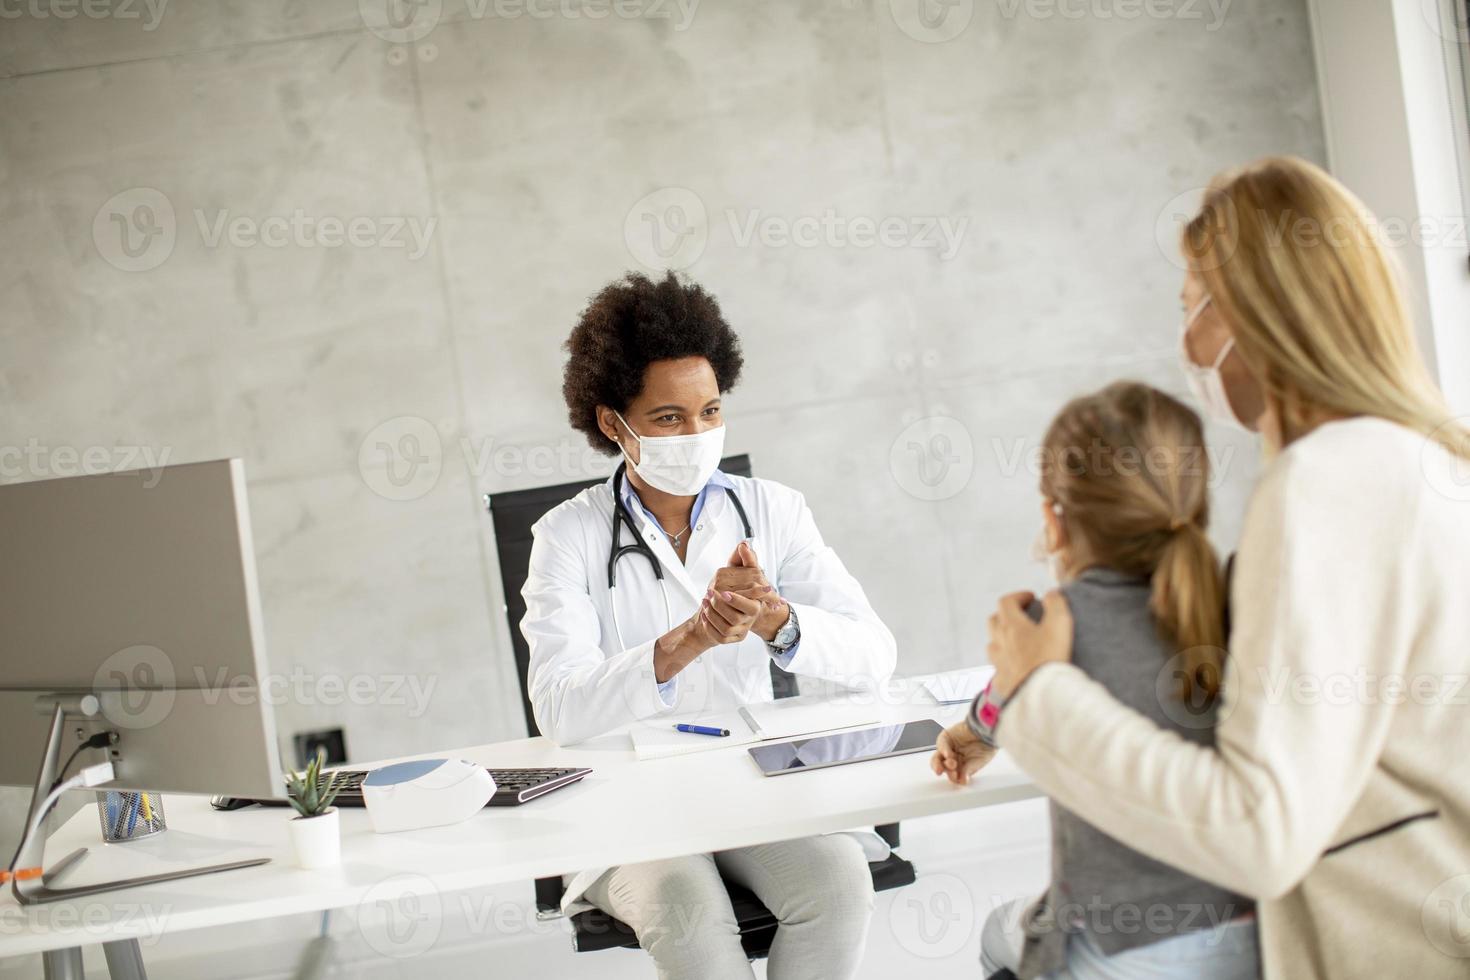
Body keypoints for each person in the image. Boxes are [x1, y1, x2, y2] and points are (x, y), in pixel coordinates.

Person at [971, 156, 1470, 977]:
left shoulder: (1323, 485)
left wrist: (1038, 692)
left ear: (1247, 310)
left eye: (1189, 305)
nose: (1188, 342)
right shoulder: (1423, 460)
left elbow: (1258, 833)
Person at [520, 270, 898, 980]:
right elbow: (560, 708)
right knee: (687, 907)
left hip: (752, 789)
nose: (696, 435)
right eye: (668, 418)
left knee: (839, 884)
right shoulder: (566, 537)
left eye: (710, 411)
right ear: (613, 423)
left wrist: (778, 621)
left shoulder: (773, 510)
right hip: (630, 807)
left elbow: (875, 655)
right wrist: (687, 642)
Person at [932, 381, 1259, 979]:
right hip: (1248, 941)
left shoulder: (1051, 625)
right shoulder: (1238, 609)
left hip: (1116, 951)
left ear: (1055, 519)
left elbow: (999, 707)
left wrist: (969, 734)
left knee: (996, 932)